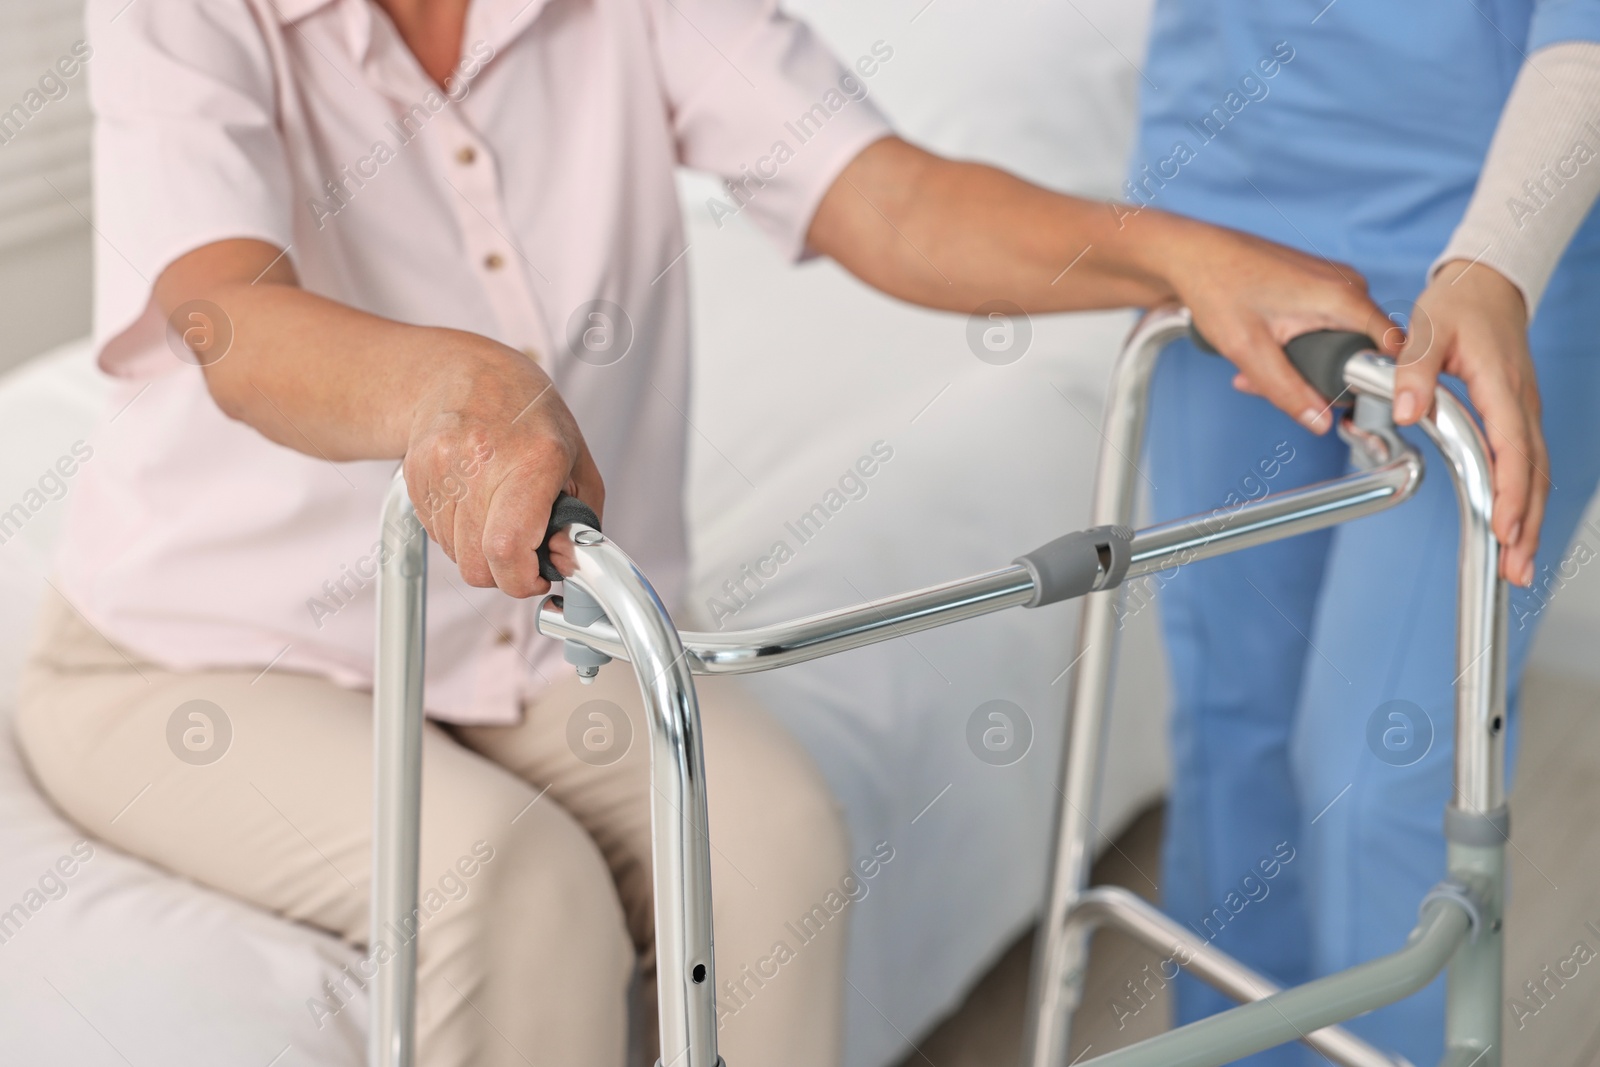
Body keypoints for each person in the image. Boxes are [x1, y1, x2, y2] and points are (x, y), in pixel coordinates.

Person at [14, 1, 1410, 1066]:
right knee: (510, 882)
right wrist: (453, 381)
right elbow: (225, 310)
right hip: (200, 655)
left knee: (771, 834)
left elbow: (889, 197)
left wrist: (1180, 254)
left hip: (528, 624)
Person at [1132, 3, 1600, 1062]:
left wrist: (1493, 261)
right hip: (1220, 206)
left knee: (1380, 769)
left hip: (1497, 229)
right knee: (1228, 722)